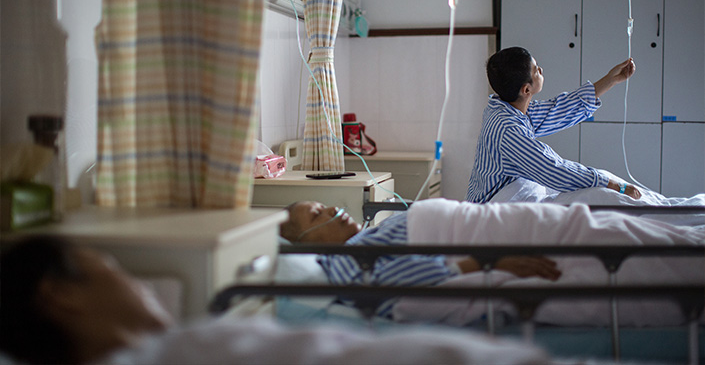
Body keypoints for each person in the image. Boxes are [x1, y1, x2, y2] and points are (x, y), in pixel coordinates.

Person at [0, 234, 548, 365]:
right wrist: (485, 262)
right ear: (60, 296)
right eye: (114, 269)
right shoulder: (186, 350)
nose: (142, 283)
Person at [280, 200, 562, 317]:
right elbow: (390, 284)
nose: (332, 209)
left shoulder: (366, 240)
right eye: (317, 215)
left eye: (323, 204)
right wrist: (483, 262)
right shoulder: (345, 261)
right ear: (306, 245)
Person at [466, 46, 641, 204]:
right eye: (536, 70)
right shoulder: (508, 130)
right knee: (601, 190)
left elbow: (560, 109)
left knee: (598, 186)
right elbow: (553, 169)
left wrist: (611, 79)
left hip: (511, 193)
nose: (541, 70)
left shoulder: (508, 108)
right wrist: (615, 186)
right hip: (493, 209)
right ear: (526, 90)